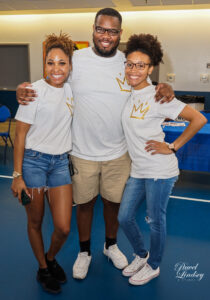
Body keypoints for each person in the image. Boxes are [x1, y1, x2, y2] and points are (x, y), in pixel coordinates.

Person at [16, 8, 175, 280]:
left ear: (119, 34)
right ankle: (84, 251)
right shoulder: (75, 60)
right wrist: (22, 88)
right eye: (101, 29)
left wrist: (164, 87)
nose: (106, 36)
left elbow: (147, 85)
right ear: (93, 28)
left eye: (112, 31)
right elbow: (50, 79)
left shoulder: (128, 63)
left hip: (119, 151)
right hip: (82, 151)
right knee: (86, 203)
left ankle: (110, 245)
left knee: (113, 203)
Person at [118, 33, 207, 285]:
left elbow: (198, 119)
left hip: (160, 169)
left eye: (141, 65)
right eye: (130, 64)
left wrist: (173, 146)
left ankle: (153, 265)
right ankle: (141, 254)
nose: (134, 70)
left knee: (155, 220)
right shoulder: (128, 92)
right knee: (124, 217)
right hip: (138, 168)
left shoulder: (159, 96)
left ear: (151, 68)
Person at [11, 33, 74, 293]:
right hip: (34, 163)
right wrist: (17, 175)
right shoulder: (33, 91)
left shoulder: (72, 89)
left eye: (62, 63)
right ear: (44, 64)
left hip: (60, 163)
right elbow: (20, 134)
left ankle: (50, 257)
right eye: (50, 62)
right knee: (35, 221)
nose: (56, 68)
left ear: (70, 65)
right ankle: (43, 268)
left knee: (62, 226)